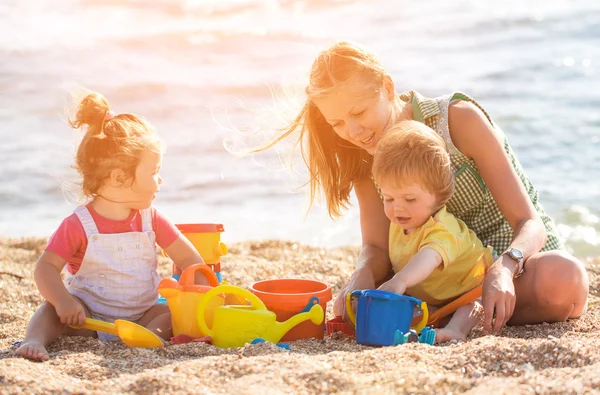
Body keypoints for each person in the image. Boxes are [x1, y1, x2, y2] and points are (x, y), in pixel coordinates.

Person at [255, 40, 588, 334]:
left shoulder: (457, 120)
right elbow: (377, 247)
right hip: (435, 282)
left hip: (510, 270)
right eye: (338, 123)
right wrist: (361, 276)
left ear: (387, 87)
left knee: (566, 278)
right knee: (358, 303)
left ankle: (455, 317)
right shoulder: (363, 155)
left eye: (359, 112)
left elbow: (530, 225)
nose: (353, 131)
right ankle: (449, 318)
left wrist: (505, 267)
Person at [16, 92, 211, 361]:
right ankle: (34, 340)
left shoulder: (151, 218)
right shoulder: (78, 224)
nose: (160, 181)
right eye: (153, 172)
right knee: (50, 312)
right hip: (89, 319)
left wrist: (205, 292)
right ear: (119, 177)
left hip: (143, 314)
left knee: (167, 313)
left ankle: (147, 337)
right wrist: (64, 301)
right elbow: (46, 268)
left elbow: (188, 258)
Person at [372, 120, 493, 342]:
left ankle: (457, 330)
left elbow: (428, 257)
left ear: (438, 195)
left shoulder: (442, 229)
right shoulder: (400, 222)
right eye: (388, 198)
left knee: (474, 305)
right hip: (435, 295)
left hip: (471, 286)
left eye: (409, 199)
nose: (397, 207)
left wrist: (400, 281)